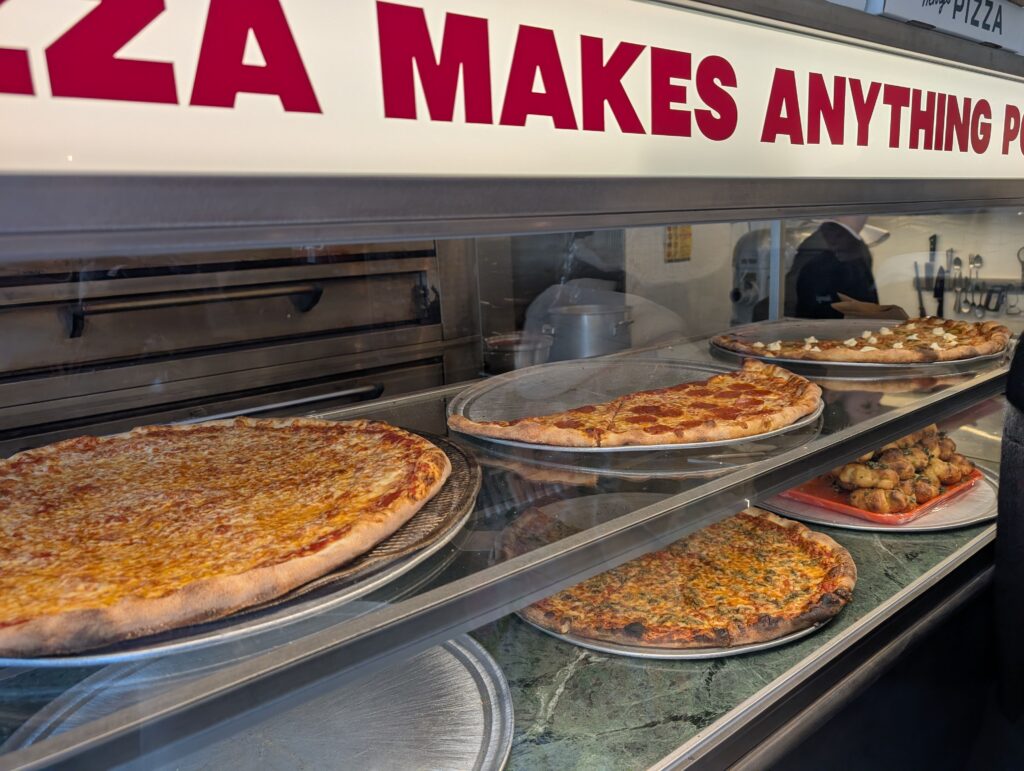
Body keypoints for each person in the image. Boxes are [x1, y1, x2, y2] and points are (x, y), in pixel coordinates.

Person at [784, 215, 879, 318]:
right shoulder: (819, 246)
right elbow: (795, 300)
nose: (865, 216)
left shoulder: (854, 243)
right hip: (822, 326)